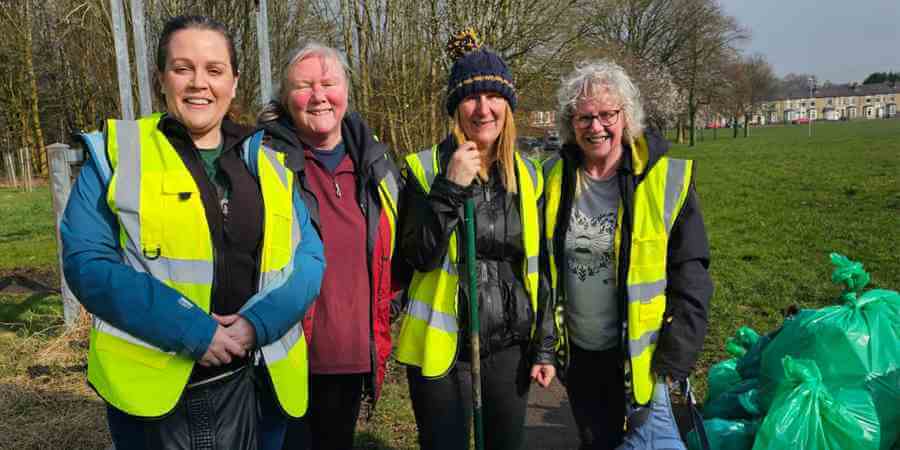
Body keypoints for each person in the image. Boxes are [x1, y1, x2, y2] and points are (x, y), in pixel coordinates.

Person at [61, 15, 325, 450]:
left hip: (259, 386)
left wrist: (255, 325)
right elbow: (87, 263)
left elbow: (310, 261)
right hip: (155, 398)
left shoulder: (271, 162)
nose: (199, 83)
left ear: (235, 82)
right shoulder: (117, 153)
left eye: (214, 70)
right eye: (183, 68)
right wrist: (192, 330)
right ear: (160, 78)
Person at [395, 29, 556, 450]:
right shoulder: (423, 168)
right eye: (470, 97)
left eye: (493, 96)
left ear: (508, 106)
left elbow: (539, 269)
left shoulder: (529, 177)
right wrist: (449, 190)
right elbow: (418, 256)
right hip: (444, 350)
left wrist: (544, 347)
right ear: (455, 109)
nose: (483, 109)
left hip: (508, 350)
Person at [542, 59, 713, 450]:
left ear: (626, 116)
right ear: (571, 123)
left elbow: (693, 271)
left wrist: (679, 349)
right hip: (582, 354)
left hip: (645, 357)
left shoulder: (665, 179)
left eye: (607, 114)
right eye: (584, 117)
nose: (596, 126)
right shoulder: (552, 177)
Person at [257, 42, 404, 450]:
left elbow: (398, 248)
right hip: (285, 352)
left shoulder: (377, 164)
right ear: (285, 99)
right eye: (304, 86)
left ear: (346, 92)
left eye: (329, 83)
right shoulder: (264, 160)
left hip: (352, 355)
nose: (319, 95)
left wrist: (384, 306)